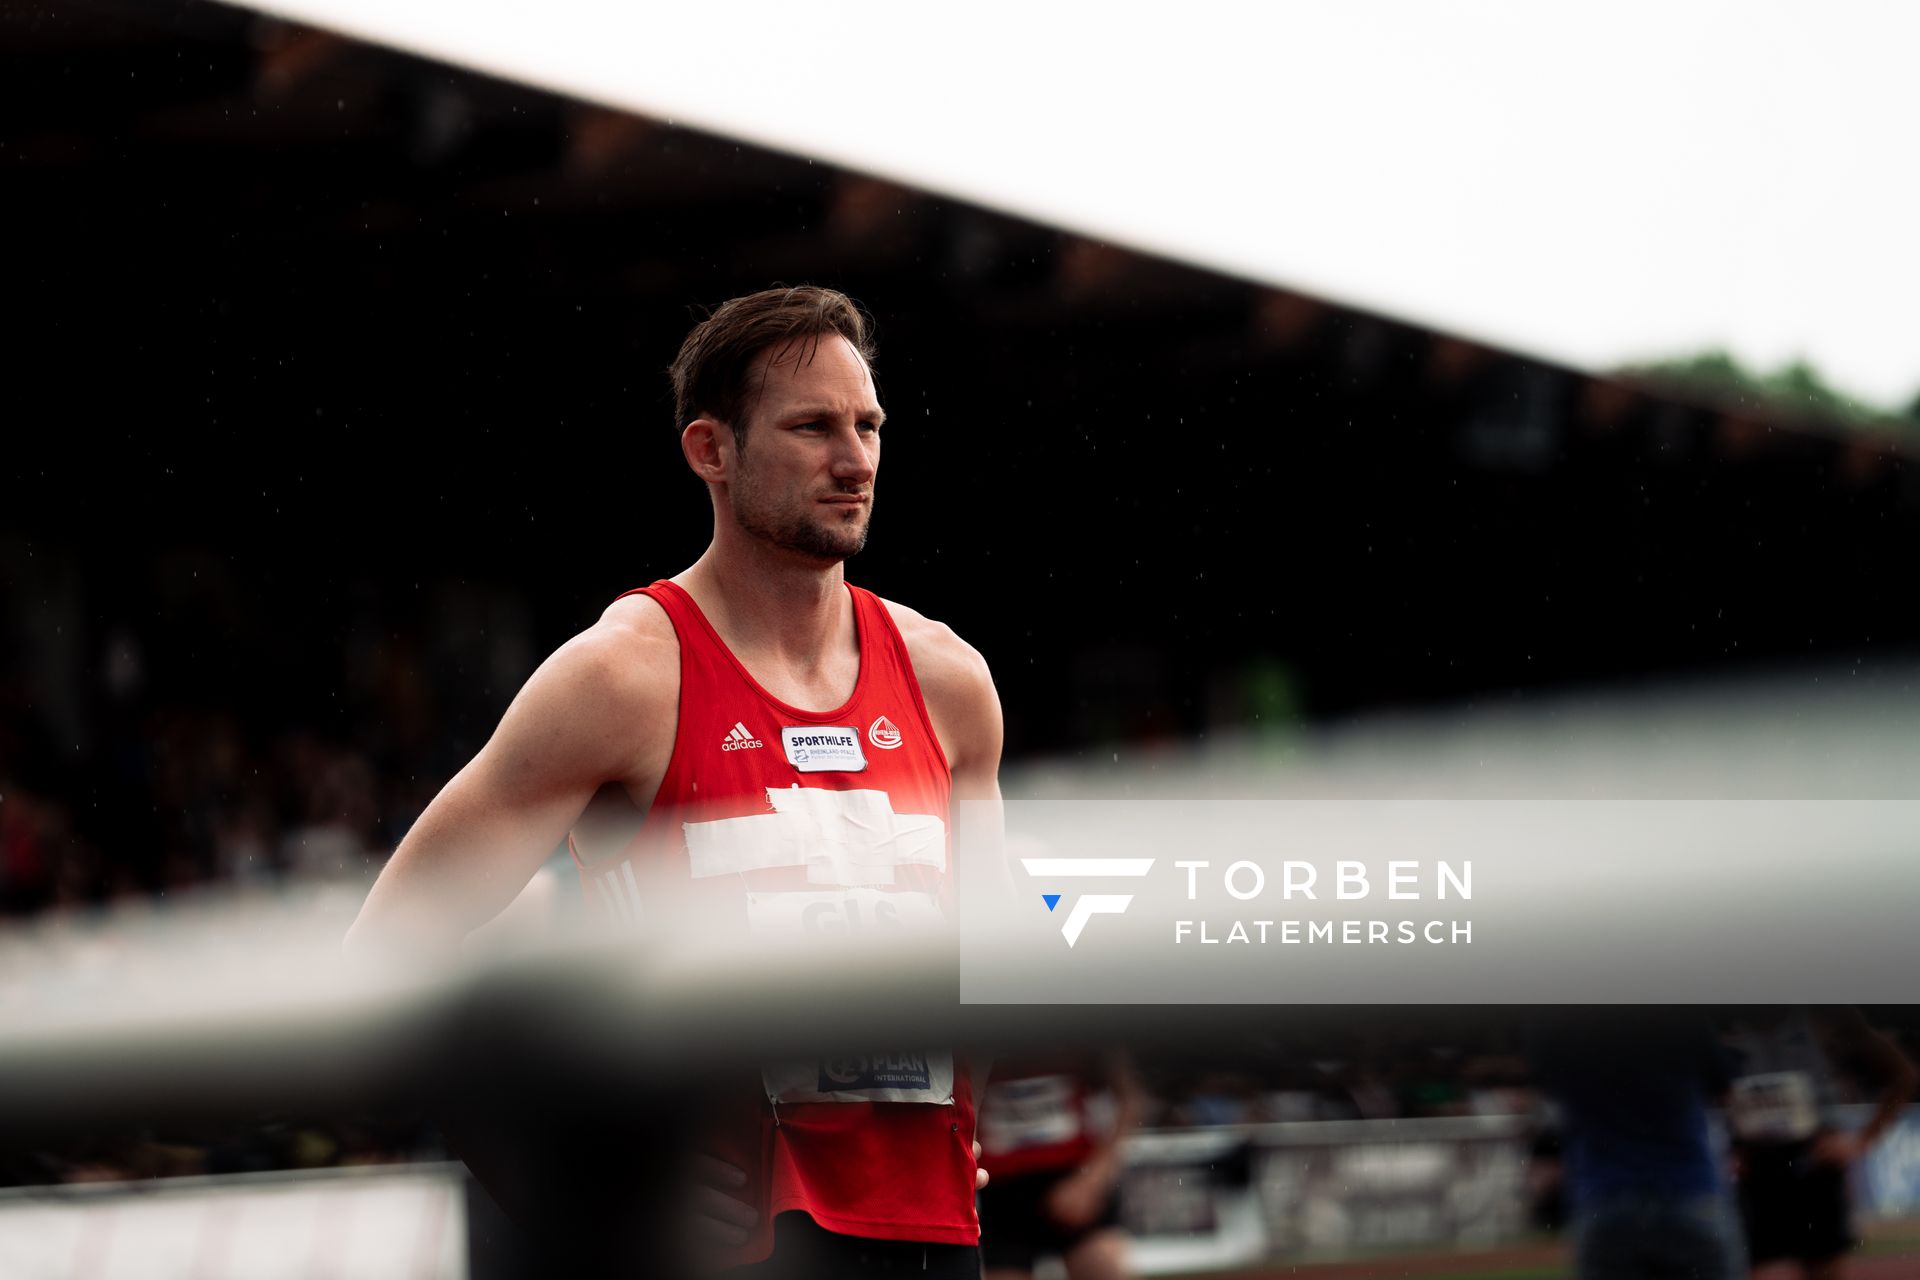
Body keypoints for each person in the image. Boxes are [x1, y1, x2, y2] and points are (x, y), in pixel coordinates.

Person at [347, 285, 1005, 1277]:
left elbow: (991, 959)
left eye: (868, 424)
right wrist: (565, 1180)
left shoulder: (949, 679)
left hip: (928, 1230)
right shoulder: (619, 678)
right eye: (814, 426)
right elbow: (391, 946)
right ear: (712, 449)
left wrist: (953, 1134)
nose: (856, 459)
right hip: (726, 1245)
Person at [1724, 1006, 1917, 1280]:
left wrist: (1861, 1140)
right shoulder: (1719, 1019)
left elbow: (1903, 1075)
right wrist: (1734, 1147)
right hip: (1758, 1171)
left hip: (1815, 1166)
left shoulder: (1826, 1014)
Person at [977, 1052, 1142, 1280]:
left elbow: (1131, 1100)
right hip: (1002, 1190)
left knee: (1105, 1264)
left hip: (1074, 1179)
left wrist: (1091, 1182)